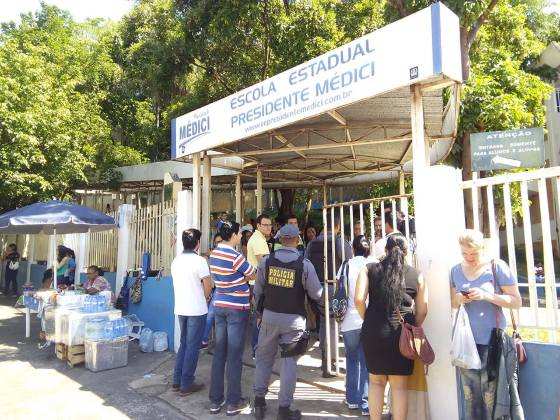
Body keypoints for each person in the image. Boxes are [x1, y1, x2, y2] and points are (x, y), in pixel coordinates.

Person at [253, 224, 324, 420]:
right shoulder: (305, 264)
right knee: (289, 363)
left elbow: (257, 292)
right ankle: (284, 409)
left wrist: (259, 313)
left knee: (263, 360)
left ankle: (259, 403)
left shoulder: (266, 262)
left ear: (279, 239)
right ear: (297, 239)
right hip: (294, 321)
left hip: (268, 317)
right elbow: (317, 294)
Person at [450, 229, 522, 420]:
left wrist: (487, 296)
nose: (469, 258)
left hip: (492, 342)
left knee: (493, 397)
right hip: (466, 344)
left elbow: (516, 301)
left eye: (473, 253)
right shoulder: (456, 271)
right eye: (465, 254)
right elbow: (453, 302)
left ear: (482, 248)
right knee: (470, 397)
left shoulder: (496, 267)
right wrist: (459, 298)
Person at [354, 234, 428, 420]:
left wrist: (367, 318)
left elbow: (359, 299)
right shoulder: (417, 275)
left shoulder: (368, 269)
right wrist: (412, 327)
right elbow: (423, 310)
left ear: (385, 250)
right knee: (400, 386)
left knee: (376, 383)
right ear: (406, 252)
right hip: (401, 335)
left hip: (374, 331)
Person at [208, 221, 256, 416]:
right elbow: (253, 273)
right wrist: (242, 280)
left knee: (220, 353)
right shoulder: (235, 256)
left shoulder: (214, 254)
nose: (239, 236)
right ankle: (234, 401)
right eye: (238, 233)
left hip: (219, 305)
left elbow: (221, 279)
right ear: (234, 235)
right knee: (234, 356)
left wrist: (236, 279)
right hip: (236, 308)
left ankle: (215, 400)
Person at [305, 214, 352, 378]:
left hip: (316, 289)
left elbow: (306, 264)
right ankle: (330, 363)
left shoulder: (312, 243)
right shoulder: (339, 241)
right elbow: (349, 261)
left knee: (325, 324)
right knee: (333, 325)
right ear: (338, 226)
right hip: (334, 288)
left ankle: (327, 360)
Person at [337, 236, 377, 416]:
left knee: (352, 359)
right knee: (367, 362)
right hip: (369, 319)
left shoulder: (346, 265)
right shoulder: (374, 264)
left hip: (349, 321)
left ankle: (352, 398)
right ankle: (365, 403)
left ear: (353, 248)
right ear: (368, 249)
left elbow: (340, 288)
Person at [171, 228, 213, 396]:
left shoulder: (176, 261)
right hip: (197, 309)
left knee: (184, 344)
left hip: (181, 308)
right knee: (192, 347)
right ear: (197, 244)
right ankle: (186, 383)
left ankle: (177, 380)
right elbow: (208, 287)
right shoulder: (200, 261)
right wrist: (205, 298)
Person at [247, 214, 273, 355]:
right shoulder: (258, 240)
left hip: (256, 283)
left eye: (270, 225)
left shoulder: (259, 239)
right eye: (265, 225)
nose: (269, 227)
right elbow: (264, 264)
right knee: (259, 317)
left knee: (260, 316)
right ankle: (257, 350)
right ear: (258, 226)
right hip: (258, 284)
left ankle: (258, 349)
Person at [201, 233, 223, 349]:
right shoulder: (209, 256)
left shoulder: (223, 254)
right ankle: (204, 338)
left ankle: (204, 339)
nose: (218, 244)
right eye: (216, 242)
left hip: (220, 288)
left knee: (210, 314)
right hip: (211, 287)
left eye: (220, 241)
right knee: (207, 314)